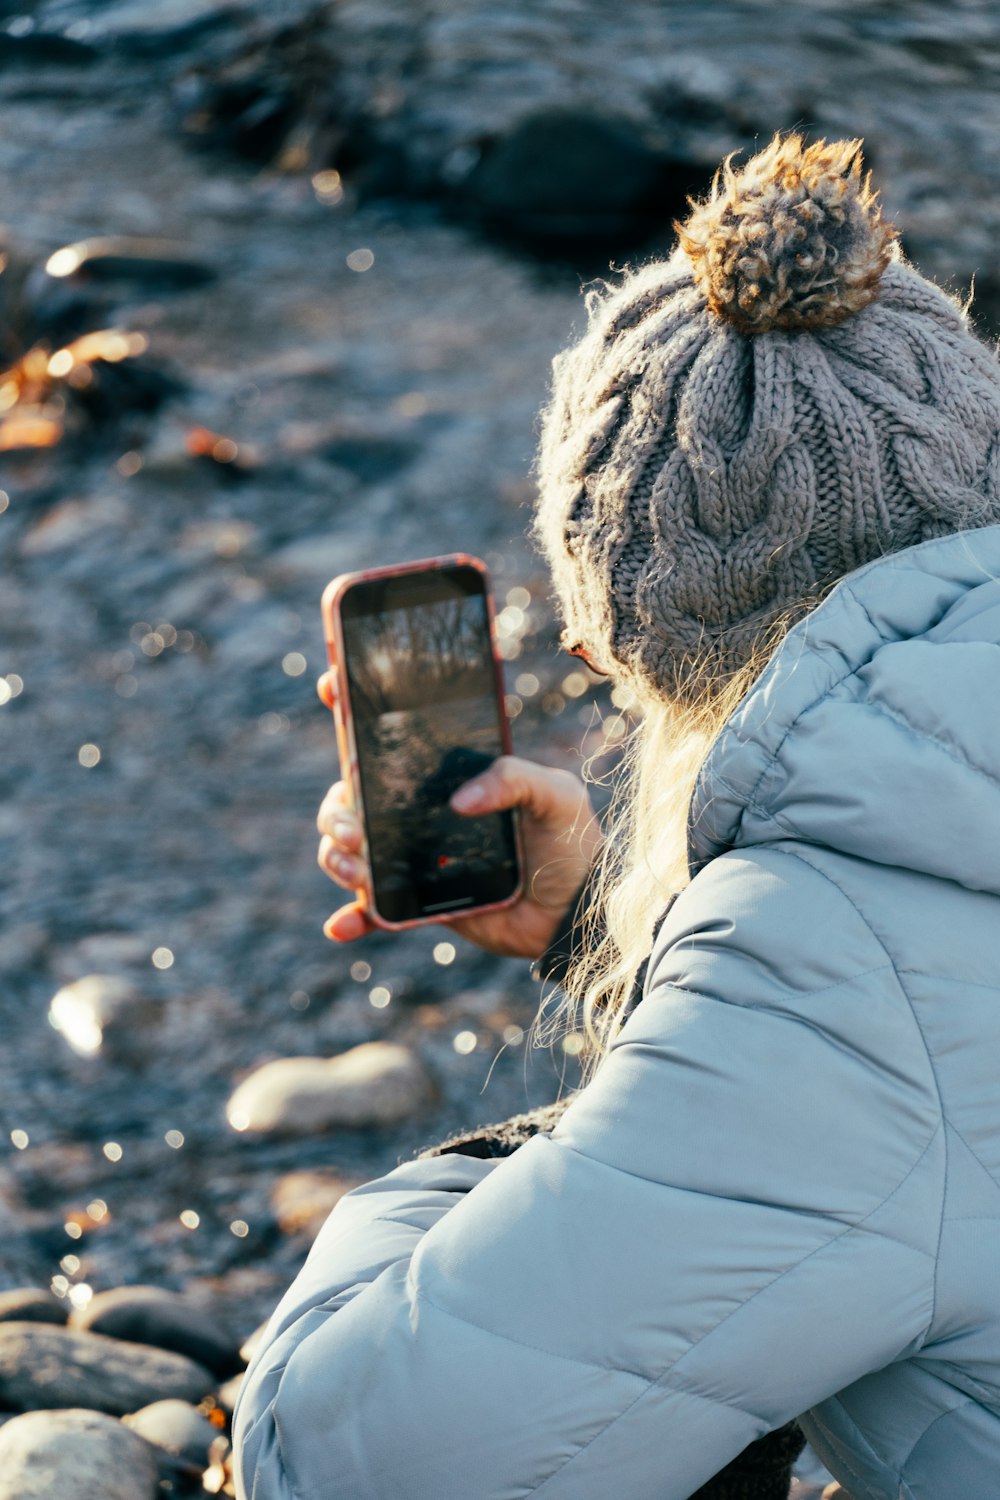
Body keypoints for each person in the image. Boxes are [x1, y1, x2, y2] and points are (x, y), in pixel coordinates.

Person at [233, 135, 1000, 1500]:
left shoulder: (835, 987)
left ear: (619, 653)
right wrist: (608, 927)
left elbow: (353, 1462)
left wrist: (496, 1186)